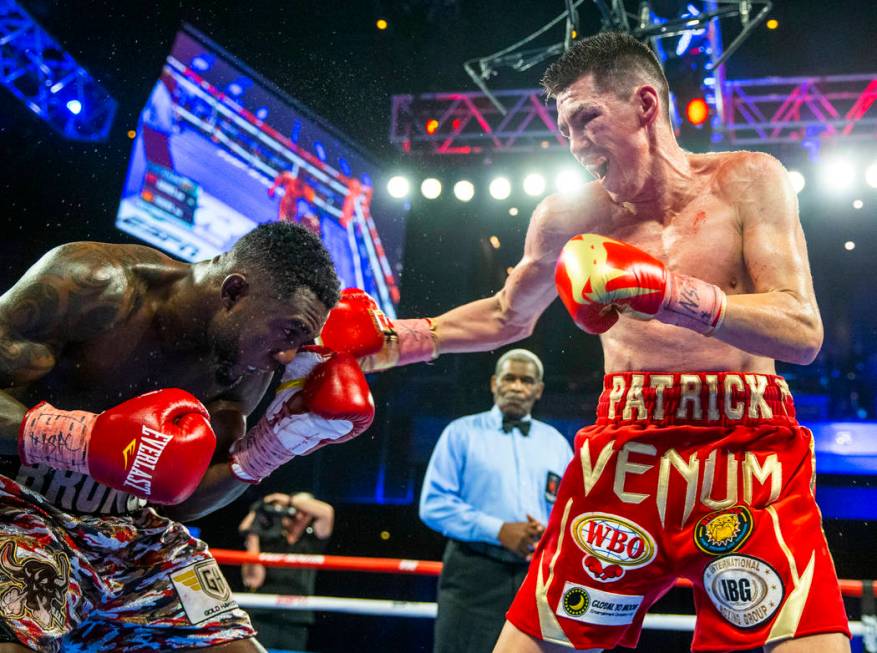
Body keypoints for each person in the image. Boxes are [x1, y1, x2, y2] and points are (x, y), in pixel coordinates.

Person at [319, 32, 850, 653]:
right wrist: (397, 340)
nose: (574, 147)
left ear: (645, 105)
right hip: (626, 455)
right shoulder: (568, 217)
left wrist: (668, 293)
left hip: (748, 449)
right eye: (564, 129)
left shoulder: (748, 179)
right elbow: (506, 315)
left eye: (586, 119)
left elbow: (801, 330)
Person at [0, 222, 376, 652]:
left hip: (133, 533)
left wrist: (270, 449)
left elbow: (181, 501)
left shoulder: (244, 368)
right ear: (234, 291)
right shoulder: (96, 284)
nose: (286, 356)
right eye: (288, 332)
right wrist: (80, 438)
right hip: (16, 503)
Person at [420, 349, 573, 653]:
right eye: (509, 378)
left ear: (538, 389)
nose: (517, 387)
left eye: (526, 380)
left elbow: (568, 509)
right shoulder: (461, 433)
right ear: (494, 383)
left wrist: (548, 533)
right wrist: (498, 529)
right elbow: (434, 504)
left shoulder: (555, 442)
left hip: (536, 574)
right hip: (474, 570)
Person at [239, 492, 334, 652]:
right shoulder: (269, 539)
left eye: (303, 510)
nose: (297, 515)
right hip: (262, 614)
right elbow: (253, 580)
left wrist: (289, 500)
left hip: (296, 619)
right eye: (292, 510)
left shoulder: (312, 542)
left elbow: (327, 512)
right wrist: (261, 509)